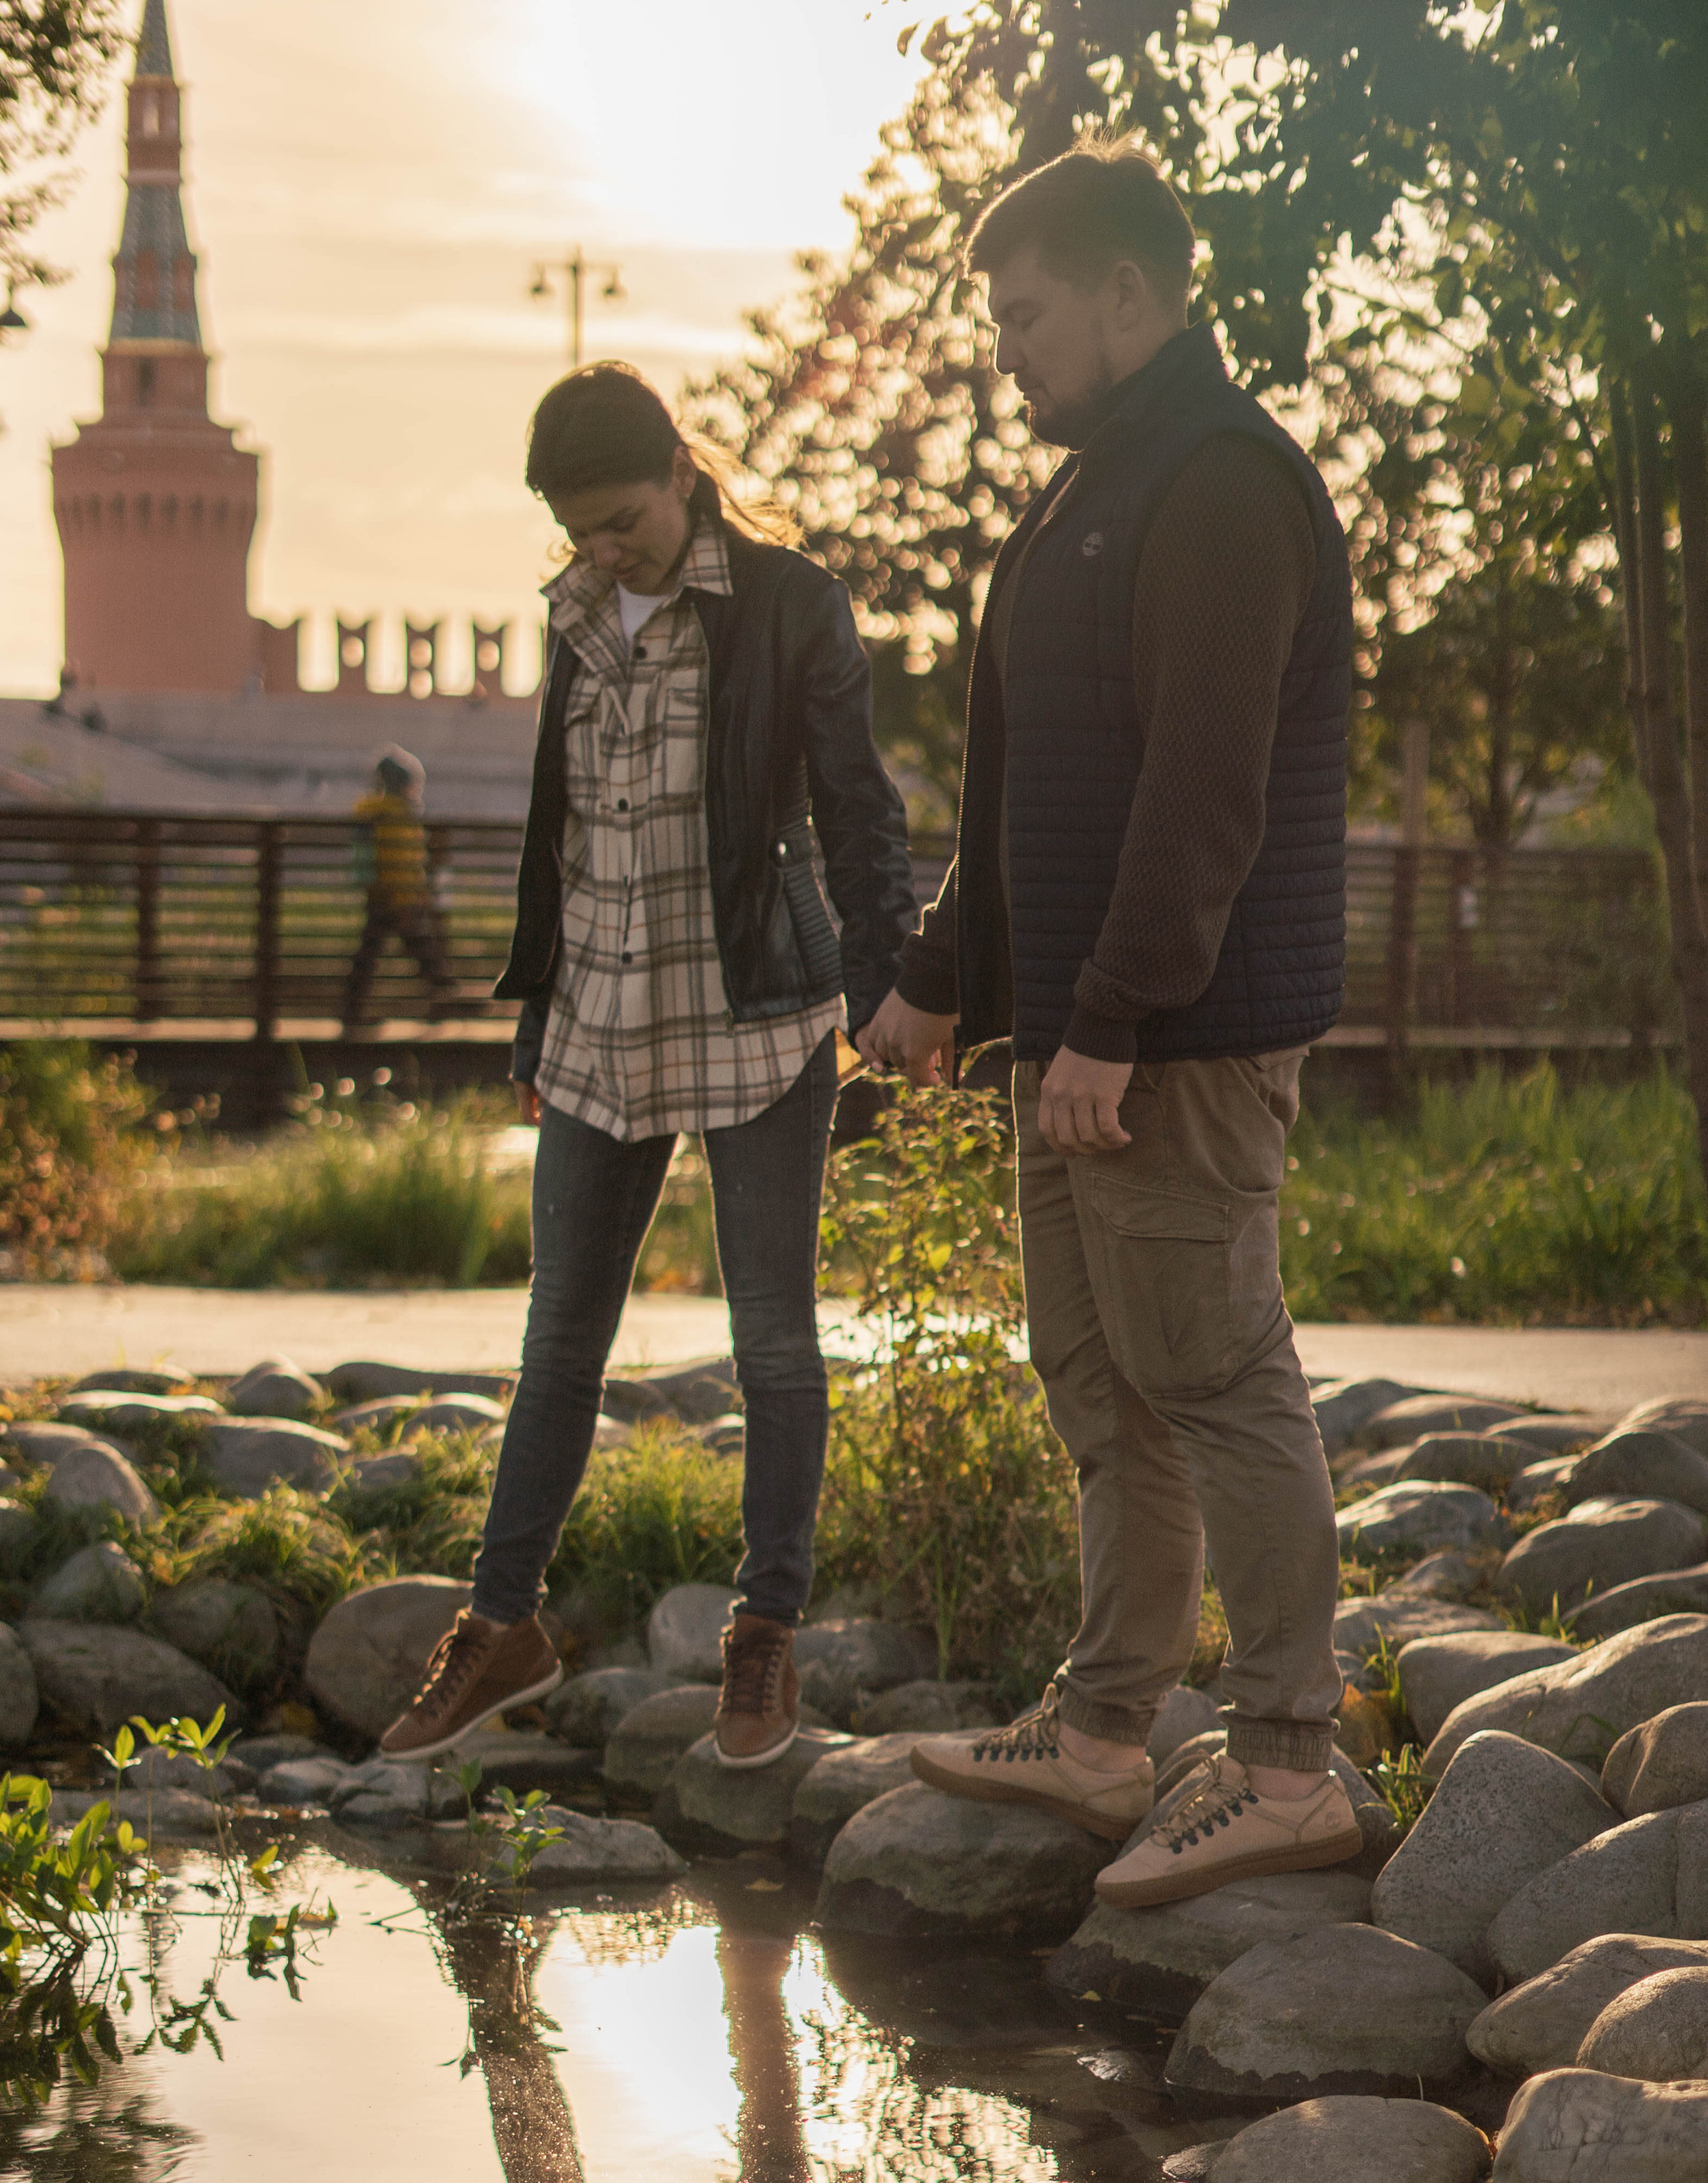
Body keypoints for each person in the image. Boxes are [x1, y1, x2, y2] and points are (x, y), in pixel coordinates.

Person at [856, 142, 1360, 1909]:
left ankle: (1289, 1760)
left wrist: (1114, 1019)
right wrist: (938, 976)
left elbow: (1200, 793)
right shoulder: (1086, 493)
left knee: (1214, 1377)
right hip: (1073, 1038)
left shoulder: (1216, 484)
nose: (1005, 349)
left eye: (1026, 315)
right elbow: (1025, 787)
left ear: (1130, 295)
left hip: (1173, 1040)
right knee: (1101, 1389)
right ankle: (1101, 1734)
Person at [380, 364, 914, 1770]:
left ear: (681, 471)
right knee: (558, 1343)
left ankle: (764, 1636)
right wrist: (532, 1021)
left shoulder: (791, 602)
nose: (603, 551)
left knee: (775, 1346)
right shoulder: (574, 619)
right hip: (601, 1021)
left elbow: (860, 809)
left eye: (621, 520)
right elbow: (559, 834)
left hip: (757, 1019)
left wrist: (892, 984)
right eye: (579, 533)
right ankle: (502, 1628)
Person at [341, 745, 460, 1030]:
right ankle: (445, 1001)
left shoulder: (373, 813)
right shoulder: (399, 816)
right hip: (400, 899)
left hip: (381, 896)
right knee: (421, 952)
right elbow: (406, 861)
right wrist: (415, 894)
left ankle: (351, 1012)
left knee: (371, 954)